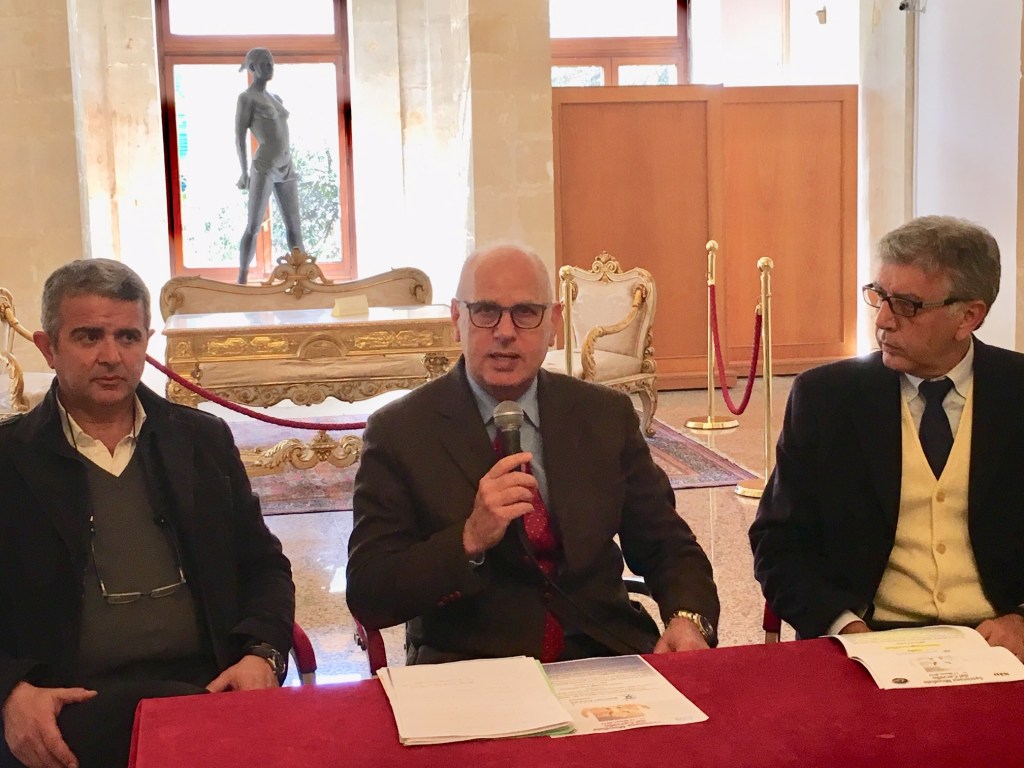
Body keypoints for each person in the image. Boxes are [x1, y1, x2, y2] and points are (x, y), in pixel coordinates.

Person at [346, 243, 719, 665]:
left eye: (525, 312)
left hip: (603, 652)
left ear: (554, 323)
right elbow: (369, 592)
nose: (505, 331)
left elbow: (667, 545)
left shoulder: (604, 416)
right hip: (469, 665)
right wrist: (469, 539)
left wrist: (688, 618)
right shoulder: (400, 432)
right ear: (456, 320)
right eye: (486, 311)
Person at [0, 259, 295, 768]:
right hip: (63, 704)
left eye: (128, 337)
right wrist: (10, 691)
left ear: (147, 342)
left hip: (205, 687)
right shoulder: (8, 459)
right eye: (88, 337)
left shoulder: (202, 441)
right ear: (48, 347)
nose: (111, 356)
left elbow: (263, 566)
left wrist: (261, 654)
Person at [750, 215, 1024, 659]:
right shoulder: (826, 398)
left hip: (1002, 639)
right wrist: (844, 626)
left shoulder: (1017, 393)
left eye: (907, 306)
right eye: (878, 296)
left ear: (969, 316)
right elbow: (779, 543)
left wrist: (1022, 621)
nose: (883, 320)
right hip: (867, 635)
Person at [235, 47, 305, 285]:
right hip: (264, 166)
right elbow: (239, 137)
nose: (270, 67)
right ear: (252, 68)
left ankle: (303, 277)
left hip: (286, 165)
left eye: (272, 63)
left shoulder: (276, 98)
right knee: (254, 225)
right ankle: (242, 278)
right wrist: (244, 172)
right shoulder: (246, 98)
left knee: (294, 225)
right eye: (264, 64)